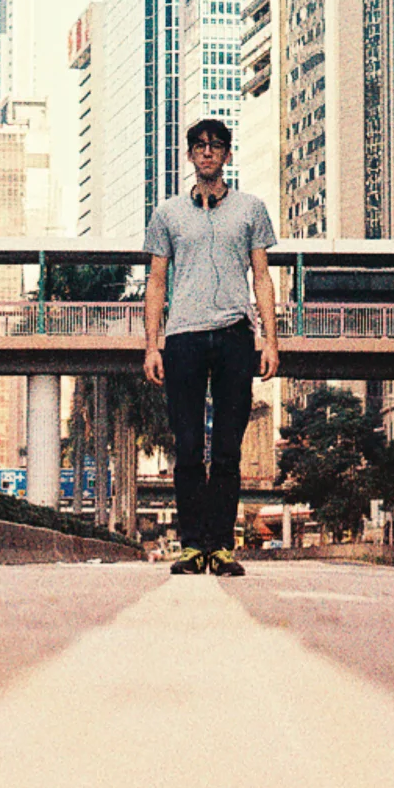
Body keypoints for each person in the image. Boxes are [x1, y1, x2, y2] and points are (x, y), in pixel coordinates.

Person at [143, 117, 279, 576]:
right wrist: (151, 345)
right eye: (199, 146)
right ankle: (191, 546)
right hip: (182, 337)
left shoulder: (251, 209)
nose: (207, 152)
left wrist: (269, 341)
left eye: (215, 145)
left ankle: (220, 547)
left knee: (226, 448)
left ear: (226, 154)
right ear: (189, 155)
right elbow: (157, 280)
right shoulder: (167, 214)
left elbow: (261, 276)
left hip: (235, 336)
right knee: (186, 446)